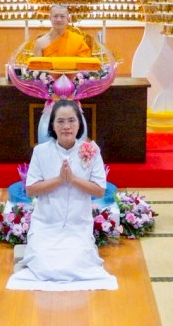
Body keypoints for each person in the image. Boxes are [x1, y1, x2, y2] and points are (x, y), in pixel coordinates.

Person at [10, 99, 114, 291]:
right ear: (52, 125)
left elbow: (99, 190)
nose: (66, 126)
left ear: (79, 124)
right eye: (60, 121)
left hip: (78, 224)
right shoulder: (41, 151)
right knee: (45, 263)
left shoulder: (91, 151)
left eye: (71, 121)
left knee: (76, 262)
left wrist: (73, 179)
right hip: (46, 223)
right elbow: (31, 189)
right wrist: (59, 180)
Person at [14, 3, 112, 65]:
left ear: (68, 19)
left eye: (62, 16)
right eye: (55, 16)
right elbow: (38, 70)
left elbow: (85, 65)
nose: (59, 19)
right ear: (50, 19)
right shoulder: (40, 42)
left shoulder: (78, 40)